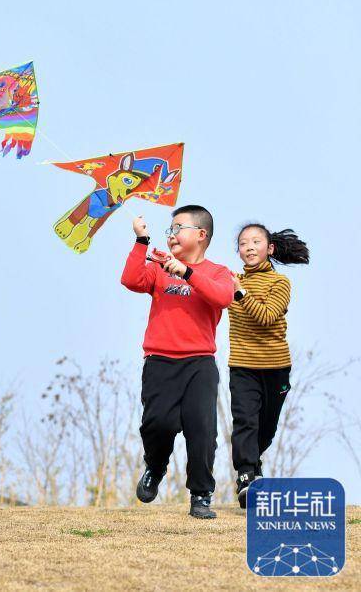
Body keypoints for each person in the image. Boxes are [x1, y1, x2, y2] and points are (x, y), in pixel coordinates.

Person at [121, 206, 232, 519]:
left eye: (178, 227)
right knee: (158, 424)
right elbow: (130, 279)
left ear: (201, 234)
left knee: (202, 430)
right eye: (168, 229)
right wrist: (141, 241)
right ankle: (155, 467)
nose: (170, 235)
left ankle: (201, 494)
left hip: (199, 363)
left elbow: (222, 297)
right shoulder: (159, 268)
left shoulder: (218, 272)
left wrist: (187, 273)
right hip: (159, 361)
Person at [228, 224, 309, 508]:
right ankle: (246, 476)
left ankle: (254, 463)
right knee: (245, 421)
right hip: (242, 366)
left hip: (275, 368)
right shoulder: (232, 280)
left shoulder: (280, 283)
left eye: (255, 241)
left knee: (266, 429)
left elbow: (266, 317)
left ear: (269, 248)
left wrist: (240, 294)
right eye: (242, 243)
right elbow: (201, 284)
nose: (249, 247)